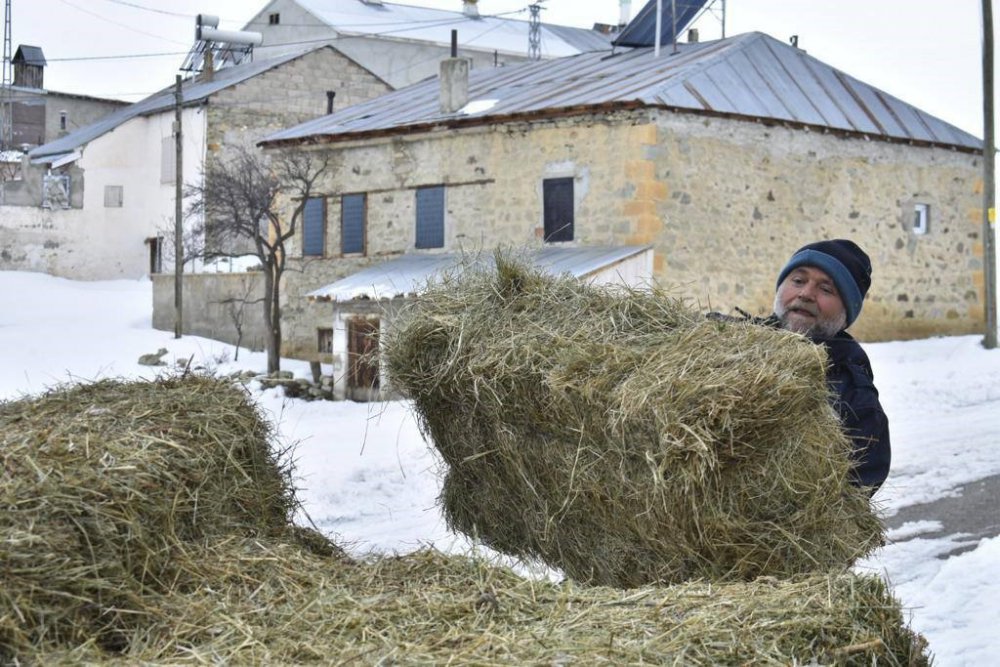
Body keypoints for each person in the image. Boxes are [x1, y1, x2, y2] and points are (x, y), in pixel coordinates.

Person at [714, 239, 891, 493]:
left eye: (826, 289)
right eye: (798, 280)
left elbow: (850, 497)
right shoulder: (722, 340)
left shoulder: (856, 401)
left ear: (845, 313)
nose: (806, 294)